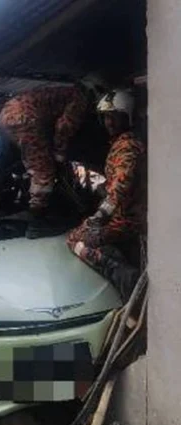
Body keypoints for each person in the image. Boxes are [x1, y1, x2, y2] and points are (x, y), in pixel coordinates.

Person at [66, 89, 143, 301]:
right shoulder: (121, 144)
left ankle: (121, 273)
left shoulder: (127, 147)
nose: (109, 122)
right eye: (106, 117)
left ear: (127, 117)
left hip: (125, 220)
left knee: (75, 239)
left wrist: (100, 215)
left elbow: (121, 185)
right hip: (125, 216)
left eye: (114, 117)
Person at [0, 84, 92, 238]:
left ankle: (13, 197)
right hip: (25, 118)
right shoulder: (79, 100)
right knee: (44, 170)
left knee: (32, 162)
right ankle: (37, 221)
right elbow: (63, 127)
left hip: (7, 113)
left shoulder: (63, 91)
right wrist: (59, 155)